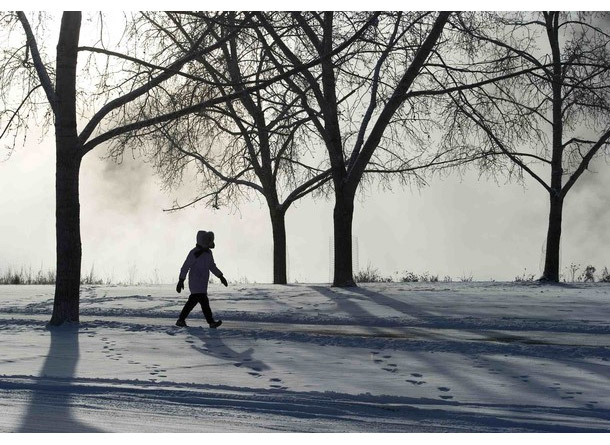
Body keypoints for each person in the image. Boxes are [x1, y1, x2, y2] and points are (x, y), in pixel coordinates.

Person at [175, 230, 228, 328]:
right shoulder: (194, 253)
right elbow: (185, 266)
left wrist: (220, 276)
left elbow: (212, 266)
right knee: (203, 302)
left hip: (203, 283)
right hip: (195, 282)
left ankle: (181, 320)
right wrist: (181, 280)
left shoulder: (208, 253)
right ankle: (211, 322)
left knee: (193, 302)